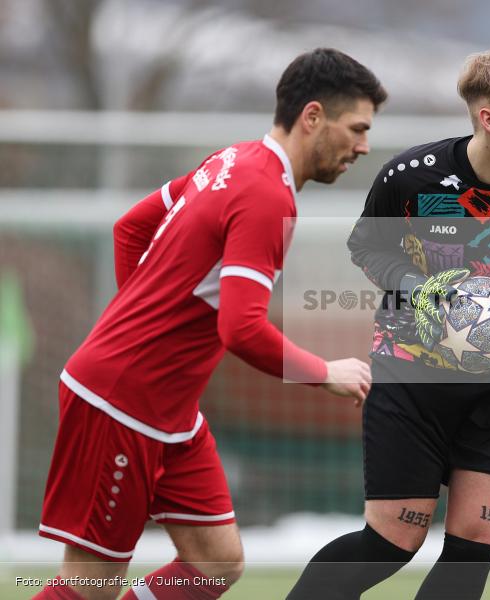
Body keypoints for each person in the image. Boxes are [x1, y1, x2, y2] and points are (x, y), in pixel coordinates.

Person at [33, 48, 386, 600]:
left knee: (215, 565)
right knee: (89, 587)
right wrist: (325, 372)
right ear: (312, 117)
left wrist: (151, 335)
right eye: (357, 128)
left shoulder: (232, 160)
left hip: (168, 411)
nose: (363, 146)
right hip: (120, 403)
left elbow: (130, 229)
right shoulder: (266, 195)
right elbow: (242, 330)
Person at [286, 46, 490, 600]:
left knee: (474, 545)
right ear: (489, 119)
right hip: (411, 376)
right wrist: (420, 289)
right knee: (390, 543)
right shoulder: (413, 176)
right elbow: (366, 248)